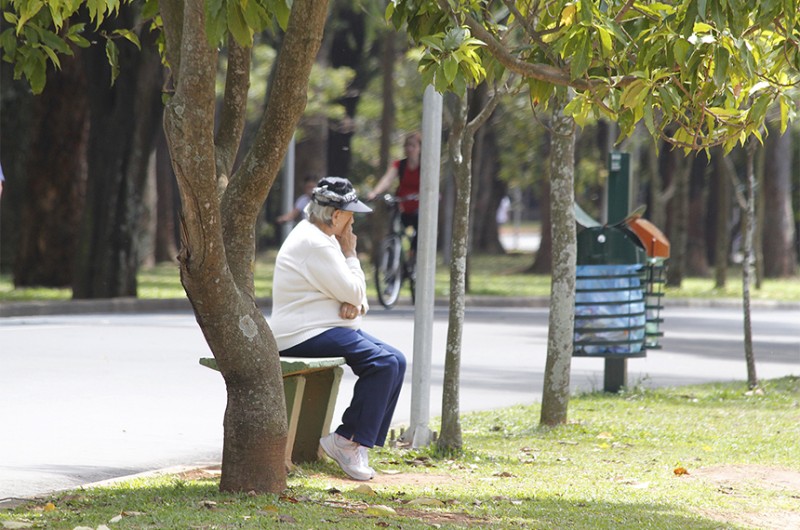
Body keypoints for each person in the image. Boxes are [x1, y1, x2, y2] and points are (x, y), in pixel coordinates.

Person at [271, 176, 407, 481]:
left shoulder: (321, 237)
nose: (353, 222)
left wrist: (355, 305)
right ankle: (347, 441)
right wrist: (351, 255)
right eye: (350, 214)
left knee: (395, 360)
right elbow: (355, 291)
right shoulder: (316, 243)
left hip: (325, 327)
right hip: (300, 334)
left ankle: (355, 441)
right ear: (336, 215)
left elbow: (356, 296)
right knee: (382, 363)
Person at [367, 132, 421, 250]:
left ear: (420, 148)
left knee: (419, 230)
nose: (409, 149)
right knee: (392, 227)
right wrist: (375, 192)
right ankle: (391, 253)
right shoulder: (400, 165)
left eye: (413, 145)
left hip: (419, 208)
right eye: (407, 145)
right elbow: (387, 179)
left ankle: (413, 256)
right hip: (401, 205)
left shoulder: (424, 166)